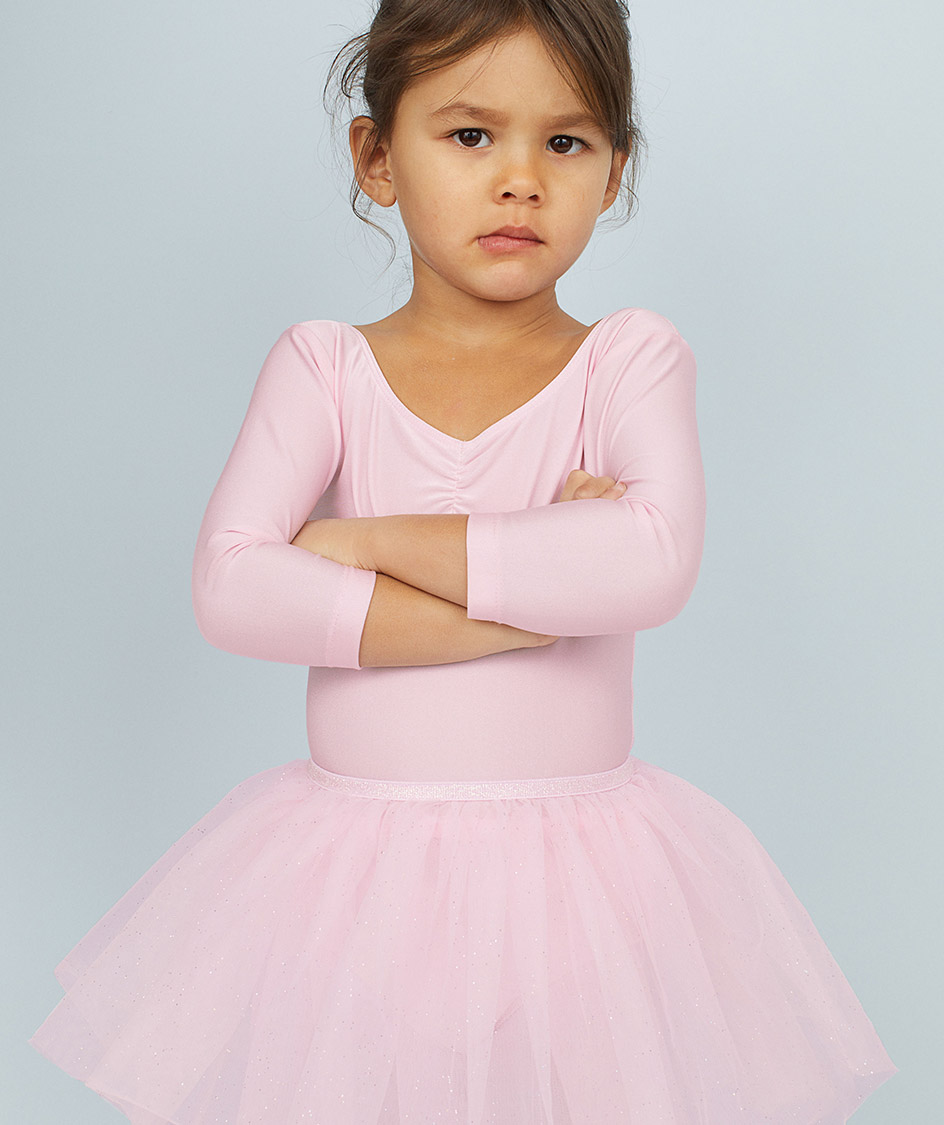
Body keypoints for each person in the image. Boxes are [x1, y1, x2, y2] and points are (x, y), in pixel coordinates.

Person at [28, 1, 899, 1121]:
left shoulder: (626, 362)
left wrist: (359, 542)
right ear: (377, 157)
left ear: (615, 171)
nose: (520, 180)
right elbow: (232, 585)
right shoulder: (325, 369)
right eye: (471, 135)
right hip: (352, 880)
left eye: (566, 141)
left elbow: (651, 561)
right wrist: (539, 596)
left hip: (585, 887)